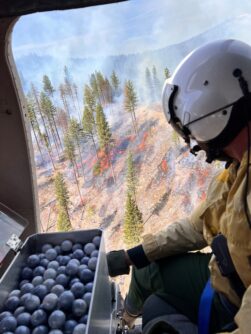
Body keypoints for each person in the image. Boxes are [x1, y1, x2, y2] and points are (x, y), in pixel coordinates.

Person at [107, 39, 251, 334]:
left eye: (191, 131)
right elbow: (196, 227)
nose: (194, 142)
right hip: (227, 276)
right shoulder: (239, 169)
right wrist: (131, 256)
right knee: (146, 271)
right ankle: (122, 325)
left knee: (157, 310)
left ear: (213, 115)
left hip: (236, 298)